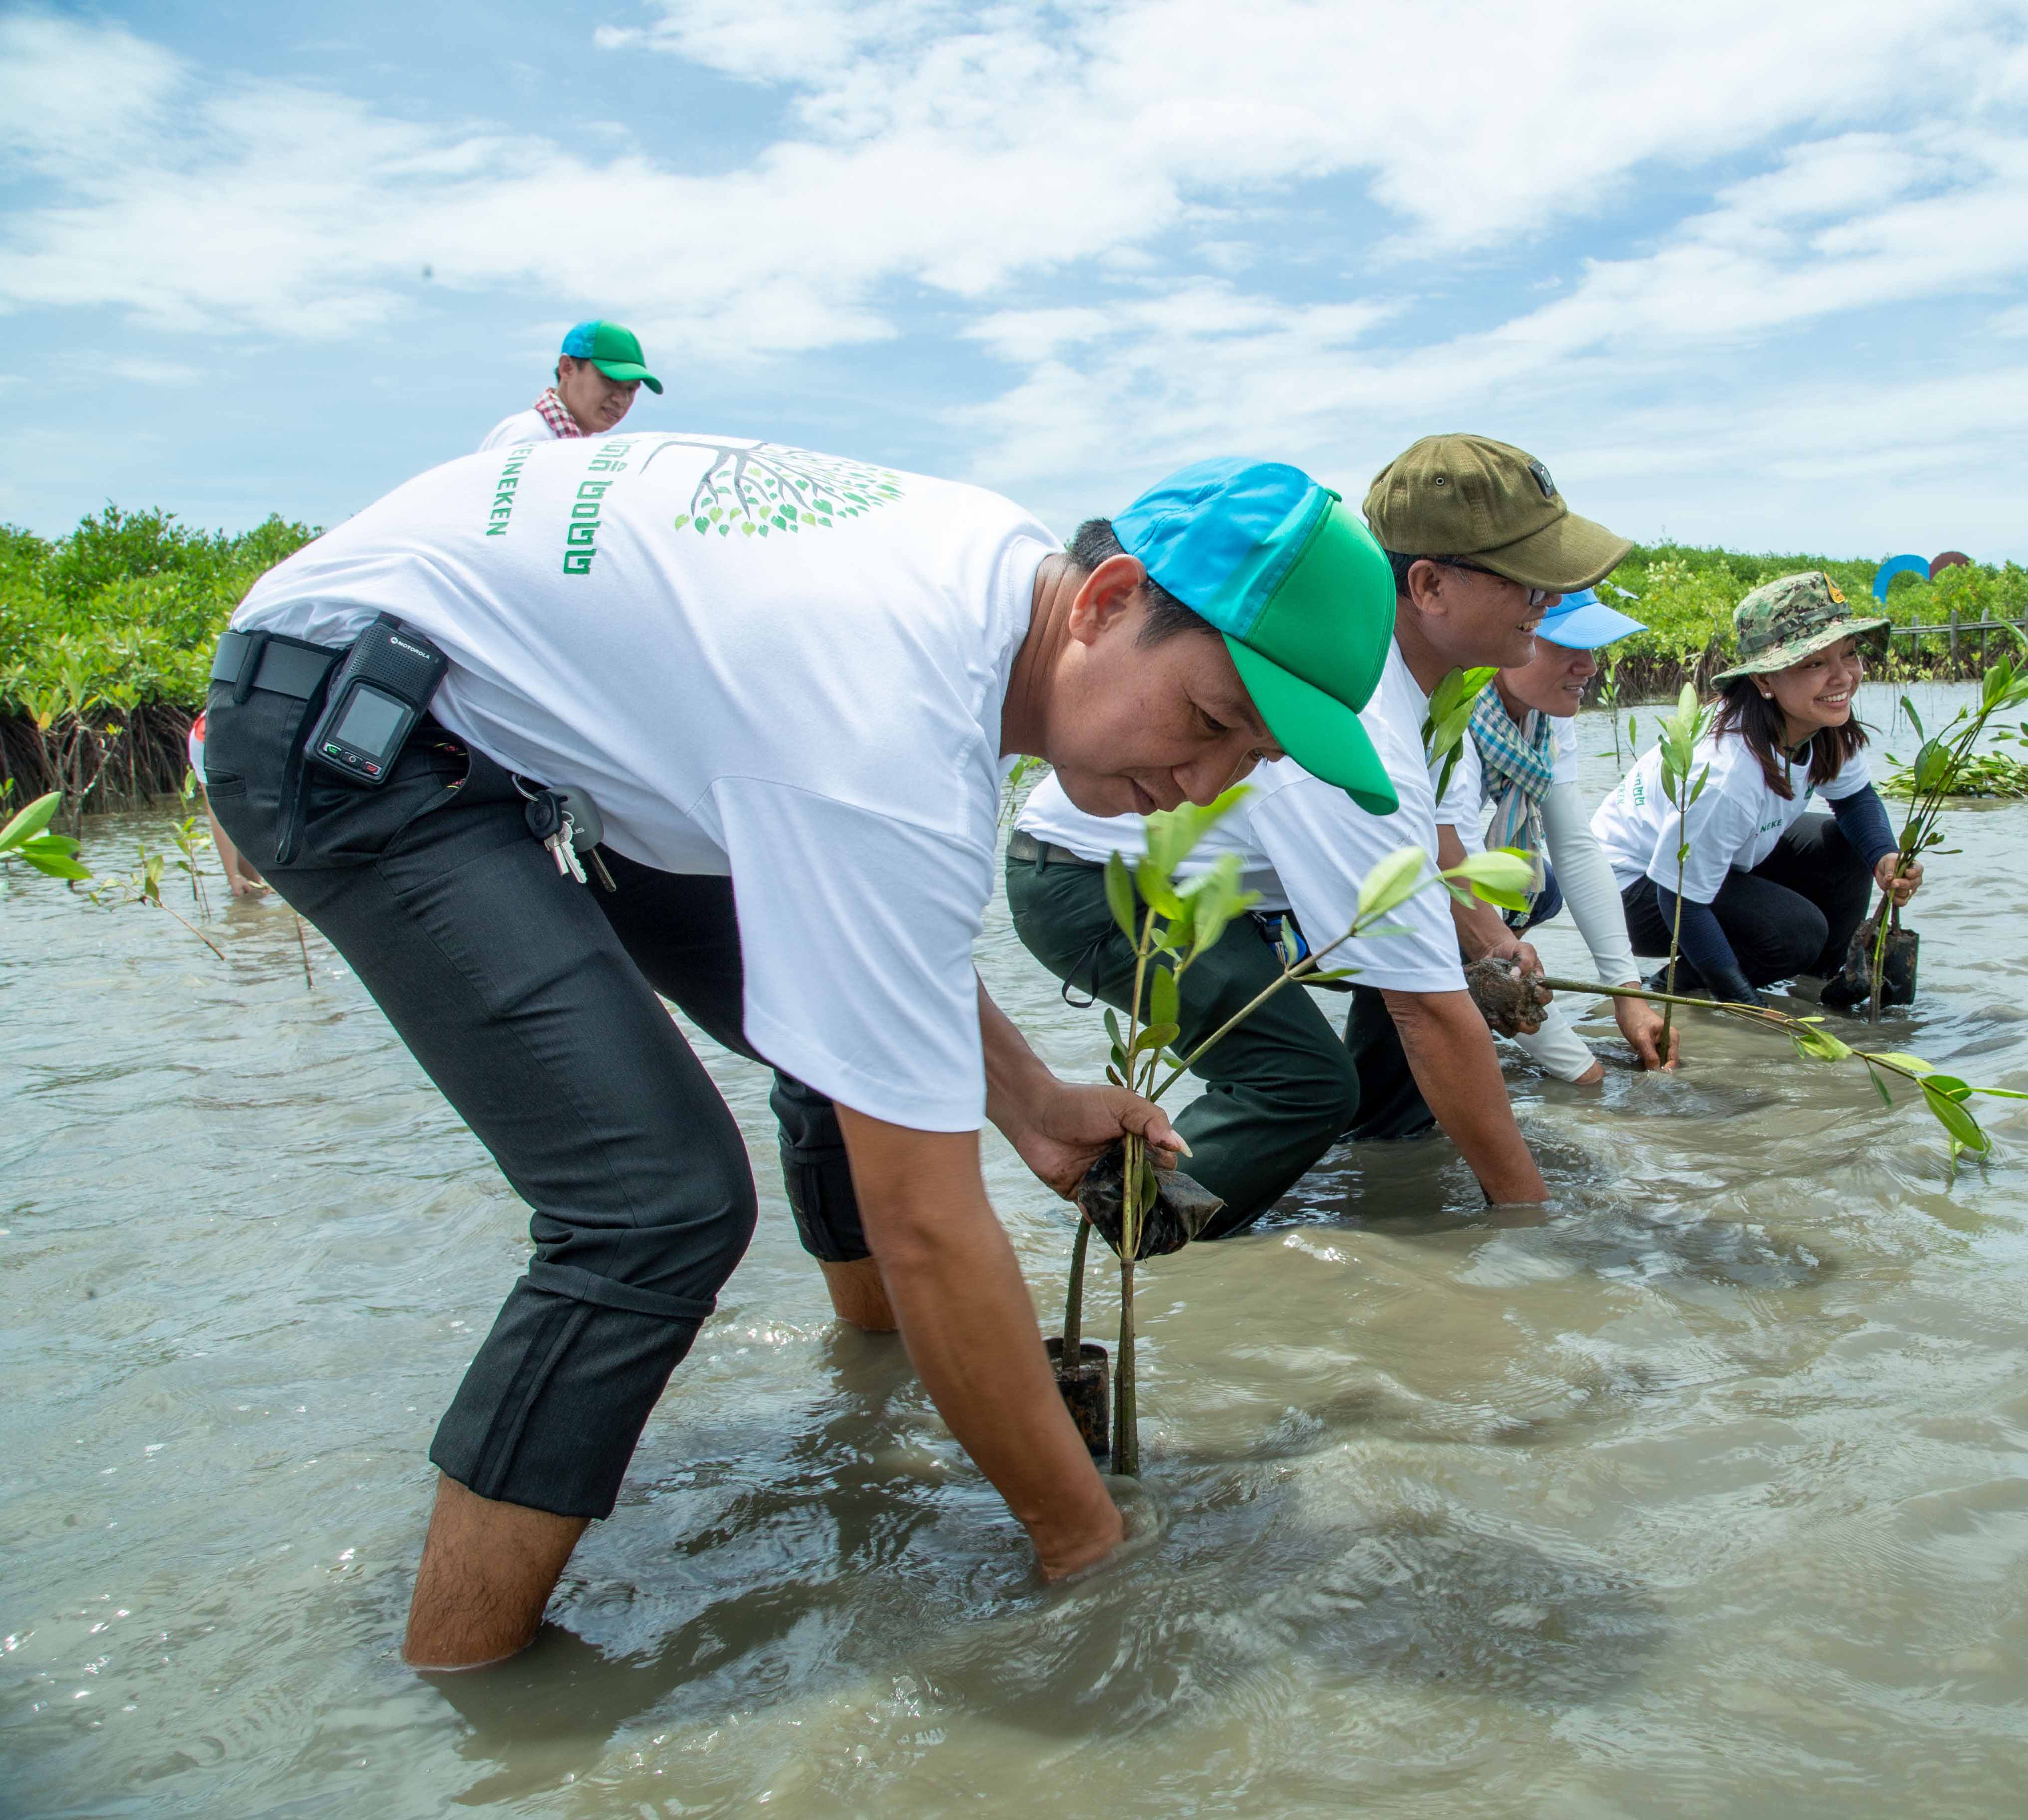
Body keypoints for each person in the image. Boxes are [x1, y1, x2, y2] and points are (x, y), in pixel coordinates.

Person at [201, 438, 1399, 1670]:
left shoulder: (986, 579)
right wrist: (1091, 1553)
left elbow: (873, 959)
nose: (1201, 783)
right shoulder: (888, 718)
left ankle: (866, 1386)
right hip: (358, 716)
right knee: (652, 1208)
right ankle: (467, 1686)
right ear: (1107, 600)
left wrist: (1032, 1103)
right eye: (1210, 720)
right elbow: (927, 1224)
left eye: (1250, 760)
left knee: (842, 1058)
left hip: (519, 711)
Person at [1007, 433, 1633, 1233]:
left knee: (1436, 973)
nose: (1552, 599)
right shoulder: (1364, 725)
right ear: (1429, 585)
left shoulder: (1407, 697)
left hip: (1226, 883)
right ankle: (1132, 1239)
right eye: (1530, 580)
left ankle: (1378, 1157)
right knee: (1301, 1083)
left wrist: (1496, 957)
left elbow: (1428, 885)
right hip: (1088, 876)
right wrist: (1530, 1221)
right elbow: (1426, 1011)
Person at [1591, 572, 1920, 1005]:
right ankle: (1677, 985)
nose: (1843, 677)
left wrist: (1885, 854)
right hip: (1633, 891)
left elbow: (1855, 798)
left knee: (1847, 849)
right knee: (1797, 932)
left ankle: (1820, 986)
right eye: (1815, 664)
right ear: (1764, 681)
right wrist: (1749, 1007)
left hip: (1704, 865)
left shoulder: (1819, 720)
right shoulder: (1726, 773)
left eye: (1850, 654)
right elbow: (1679, 897)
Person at [1438, 590, 1676, 1084]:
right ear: (1510, 636)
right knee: (1456, 921)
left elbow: (1575, 847)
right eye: (1567, 647)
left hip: (1428, 875)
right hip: (1346, 894)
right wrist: (1584, 1072)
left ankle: (1460, 1006)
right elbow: (1449, 867)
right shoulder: (1451, 719)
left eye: (1592, 648)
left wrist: (1628, 997)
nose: (1589, 667)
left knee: (1537, 885)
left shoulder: (1543, 716)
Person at [477, 322, 661, 451]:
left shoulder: (564, 445)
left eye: (631, 389)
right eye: (610, 380)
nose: (621, 399)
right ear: (567, 368)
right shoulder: (529, 440)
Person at [184, 708, 269, 895]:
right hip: (211, 736)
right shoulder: (208, 737)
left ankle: (254, 885)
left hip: (225, 731)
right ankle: (250, 883)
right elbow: (219, 812)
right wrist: (233, 874)